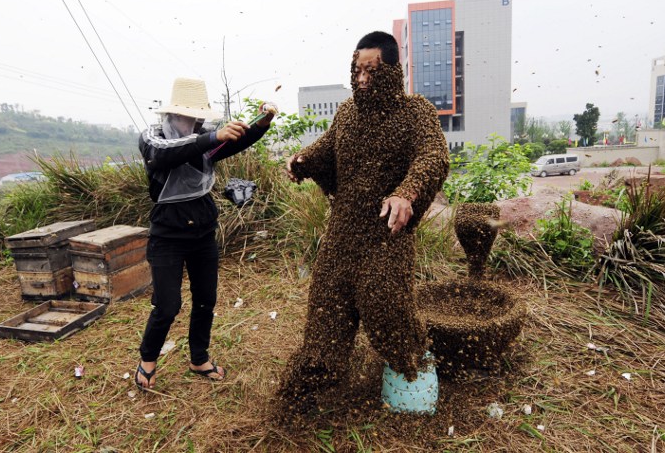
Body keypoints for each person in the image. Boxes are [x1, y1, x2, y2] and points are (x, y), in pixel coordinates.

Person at [278, 31, 450, 414]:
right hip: (341, 236)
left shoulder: (415, 112)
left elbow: (433, 156)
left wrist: (406, 193)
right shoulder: (347, 113)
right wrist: (303, 161)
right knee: (326, 310)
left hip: (385, 236)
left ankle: (411, 365)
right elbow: (326, 147)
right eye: (357, 70)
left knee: (386, 307)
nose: (362, 79)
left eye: (371, 71)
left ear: (392, 71)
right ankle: (316, 378)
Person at [135, 77, 277, 390]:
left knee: (205, 300)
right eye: (191, 117)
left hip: (202, 232)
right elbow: (162, 155)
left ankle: (198, 358)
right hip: (167, 236)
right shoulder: (153, 137)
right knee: (167, 305)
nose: (197, 123)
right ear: (174, 114)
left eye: (200, 118)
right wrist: (212, 137)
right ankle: (147, 360)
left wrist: (262, 124)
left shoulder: (203, 141)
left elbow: (234, 142)